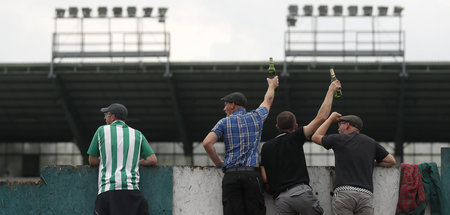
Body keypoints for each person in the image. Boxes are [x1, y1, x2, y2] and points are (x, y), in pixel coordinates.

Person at [260, 80, 341, 215]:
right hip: (300, 193)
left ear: (277, 127)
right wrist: (331, 90)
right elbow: (321, 118)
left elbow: (265, 179)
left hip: (280, 199)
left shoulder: (266, 147)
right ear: (296, 127)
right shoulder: (295, 137)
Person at [202, 76, 279, 215]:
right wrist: (272, 86)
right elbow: (268, 100)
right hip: (252, 175)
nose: (224, 108)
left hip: (231, 176)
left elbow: (207, 143)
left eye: (226, 104)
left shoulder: (224, 122)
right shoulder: (256, 117)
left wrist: (219, 163)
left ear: (233, 105)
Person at [312, 113, 396, 215]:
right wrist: (371, 162)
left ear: (347, 125)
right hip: (366, 195)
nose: (338, 128)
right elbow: (391, 161)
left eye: (340, 125)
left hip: (344, 193)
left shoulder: (339, 139)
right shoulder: (371, 142)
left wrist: (330, 119)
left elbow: (315, 137)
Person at [87, 103, 157, 215]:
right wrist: (136, 162)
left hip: (108, 191)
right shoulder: (137, 134)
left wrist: (105, 160)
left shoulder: (101, 131)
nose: (105, 118)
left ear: (113, 117)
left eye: (106, 115)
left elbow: (92, 160)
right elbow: (152, 160)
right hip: (132, 192)